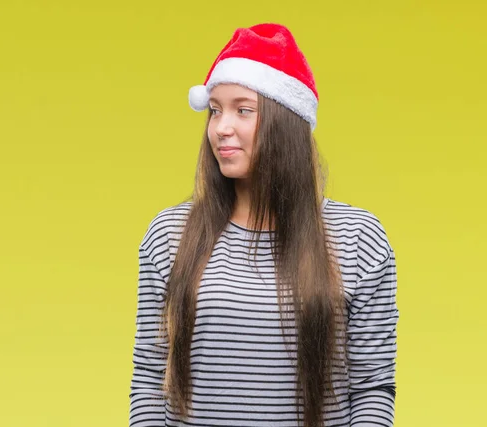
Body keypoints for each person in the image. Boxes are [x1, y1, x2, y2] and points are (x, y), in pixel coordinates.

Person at [129, 23, 399, 427]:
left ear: (285, 122)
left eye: (243, 109)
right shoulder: (170, 234)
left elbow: (373, 388)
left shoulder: (357, 238)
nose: (221, 127)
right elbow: (150, 382)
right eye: (215, 110)